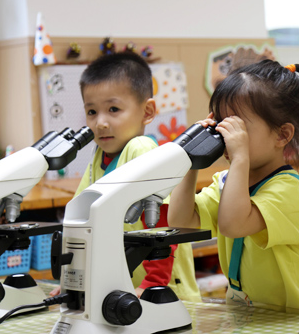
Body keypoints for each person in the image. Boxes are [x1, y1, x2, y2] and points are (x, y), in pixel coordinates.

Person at [168, 60, 299, 313]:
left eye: (237, 126)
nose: (225, 135)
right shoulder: (228, 182)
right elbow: (181, 222)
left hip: (290, 321)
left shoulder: (291, 191)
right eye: (221, 123)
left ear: (282, 135)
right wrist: (191, 160)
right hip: (247, 318)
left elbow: (233, 224)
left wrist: (240, 157)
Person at [50, 52, 200, 300]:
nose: (101, 123)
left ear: (148, 111)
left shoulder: (141, 149)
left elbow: (163, 225)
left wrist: (153, 283)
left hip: (161, 293)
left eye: (113, 109)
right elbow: (79, 221)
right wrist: (74, 278)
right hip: (126, 292)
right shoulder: (98, 156)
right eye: (91, 112)